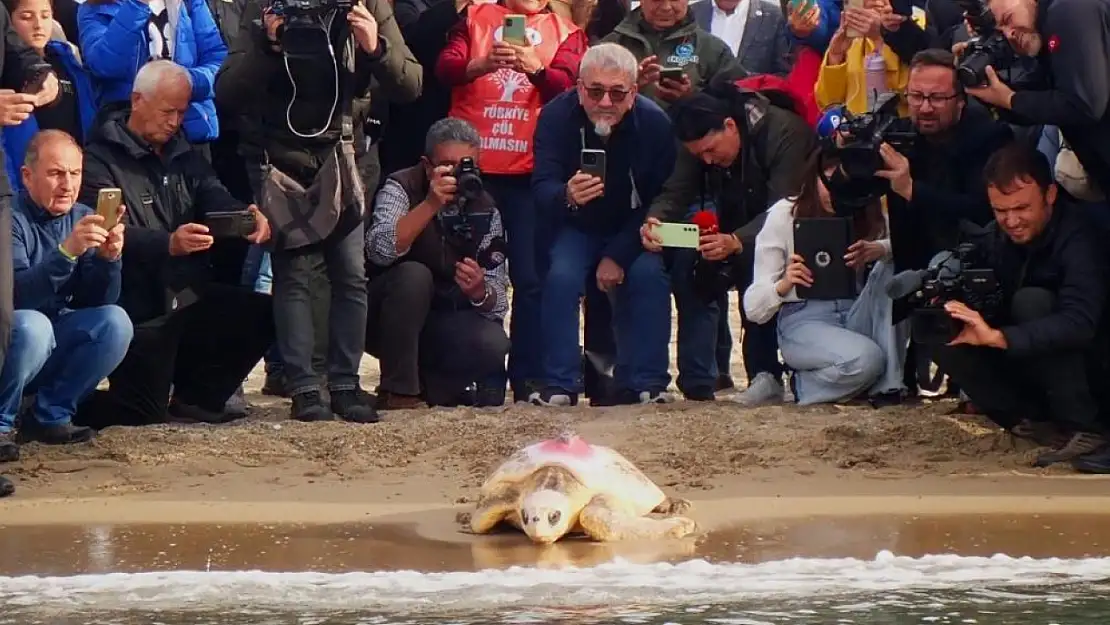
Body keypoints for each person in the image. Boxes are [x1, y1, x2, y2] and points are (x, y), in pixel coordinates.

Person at [215, 0, 421, 422]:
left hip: (345, 156)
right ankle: (305, 387)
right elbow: (228, 92)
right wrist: (267, 45)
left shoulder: (366, 5)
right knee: (294, 275)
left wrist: (376, 46)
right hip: (281, 161)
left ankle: (345, 383)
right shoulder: (267, 7)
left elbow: (411, 84)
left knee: (350, 273)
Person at [76, 60, 276, 427]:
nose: (175, 122)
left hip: (185, 291)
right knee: (141, 413)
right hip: (136, 303)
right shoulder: (97, 159)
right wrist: (166, 243)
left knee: (261, 312)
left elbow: (212, 193)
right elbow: (99, 230)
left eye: (182, 113)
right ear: (138, 101)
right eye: (168, 111)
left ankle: (197, 397)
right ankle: (64, 403)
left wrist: (243, 216)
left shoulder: (184, 152)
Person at [435, 0, 583, 403]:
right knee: (466, 271)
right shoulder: (474, 17)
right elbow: (445, 69)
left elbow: (569, 87)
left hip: (530, 174)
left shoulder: (565, 30)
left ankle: (529, 377)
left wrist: (535, 68)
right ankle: (478, 378)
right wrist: (482, 64)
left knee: (532, 280)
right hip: (475, 172)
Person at [931, 141, 1109, 469]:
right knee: (940, 325)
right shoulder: (995, 238)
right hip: (1037, 364)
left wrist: (1000, 337)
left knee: (1032, 302)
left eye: (1022, 208)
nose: (1011, 221)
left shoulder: (1081, 236)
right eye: (1001, 211)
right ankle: (1033, 421)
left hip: (1093, 366)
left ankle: (1087, 429)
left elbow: (1081, 321)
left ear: (1050, 195)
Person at [641, 82, 814, 404]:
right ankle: (746, 375)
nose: (706, 160)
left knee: (762, 273)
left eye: (710, 151)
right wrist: (656, 220)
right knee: (697, 265)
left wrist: (738, 240)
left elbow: (788, 204)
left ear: (731, 126)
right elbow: (677, 190)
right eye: (699, 155)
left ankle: (775, 371)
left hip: (796, 225)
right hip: (735, 221)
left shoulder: (785, 133)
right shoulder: (700, 140)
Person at [529, 42, 675, 407]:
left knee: (649, 275)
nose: (605, 102)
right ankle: (560, 384)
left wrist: (618, 255)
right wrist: (567, 194)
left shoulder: (655, 122)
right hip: (576, 224)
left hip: (633, 225)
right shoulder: (554, 116)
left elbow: (662, 196)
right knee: (561, 277)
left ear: (634, 92)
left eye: (617, 93)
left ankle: (647, 381)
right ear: (579, 89)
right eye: (595, 91)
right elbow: (540, 186)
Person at [1, 129, 133, 460]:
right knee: (33, 325)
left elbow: (98, 300)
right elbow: (17, 298)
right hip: (11, 337)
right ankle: (2, 427)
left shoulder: (82, 215)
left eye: (75, 173)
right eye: (56, 173)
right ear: (27, 176)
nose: (68, 185)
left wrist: (108, 260)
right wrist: (67, 252)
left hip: (49, 337)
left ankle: (49, 416)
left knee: (115, 322)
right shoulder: (9, 218)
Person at [365, 118, 510, 408]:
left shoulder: (485, 207)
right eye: (448, 166)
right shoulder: (401, 186)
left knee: (492, 342)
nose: (458, 175)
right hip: (385, 313)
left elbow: (500, 301)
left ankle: (432, 390)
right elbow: (379, 249)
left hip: (443, 317)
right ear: (428, 165)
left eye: (467, 166)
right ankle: (399, 391)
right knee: (413, 276)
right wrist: (430, 204)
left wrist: (480, 291)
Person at [743, 147, 905, 404]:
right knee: (867, 360)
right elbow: (753, 307)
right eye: (830, 182)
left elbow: (910, 248)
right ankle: (805, 386)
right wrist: (783, 284)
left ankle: (886, 385)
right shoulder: (784, 214)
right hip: (804, 317)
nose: (835, 192)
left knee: (894, 267)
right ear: (814, 177)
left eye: (845, 185)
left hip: (854, 310)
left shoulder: (867, 212)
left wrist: (880, 249)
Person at [965, 0, 1110, 198]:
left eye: (1008, 19)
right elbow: (1043, 100)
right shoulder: (1041, 30)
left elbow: (1084, 105)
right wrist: (984, 82)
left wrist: (1011, 99)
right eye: (1001, 31)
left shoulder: (1070, 10)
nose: (1009, 34)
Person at [77, 0, 227, 145]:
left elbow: (220, 65)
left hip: (189, 129)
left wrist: (185, 83)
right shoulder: (97, 8)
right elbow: (104, 64)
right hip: (129, 134)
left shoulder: (190, 3)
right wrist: (137, 5)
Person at [1, 0, 97, 196]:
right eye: (26, 17)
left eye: (46, 15)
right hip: (22, 189)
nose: (38, 24)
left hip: (73, 183)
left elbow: (87, 122)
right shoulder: (6, 76)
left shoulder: (68, 61)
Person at [814, 0, 918, 116]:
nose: (877, 2)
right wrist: (836, 56)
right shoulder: (852, 35)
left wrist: (881, 38)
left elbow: (907, 95)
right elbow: (827, 103)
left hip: (899, 128)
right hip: (855, 130)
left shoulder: (916, 28)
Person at [690, 0, 791, 76]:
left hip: (750, 101)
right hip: (696, 101)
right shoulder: (691, 13)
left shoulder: (773, 16)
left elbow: (783, 73)